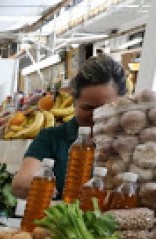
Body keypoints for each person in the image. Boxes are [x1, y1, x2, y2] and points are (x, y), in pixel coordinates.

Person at [12, 55, 126, 199]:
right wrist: (43, 187)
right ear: (73, 103)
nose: (96, 115)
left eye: (105, 108)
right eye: (88, 108)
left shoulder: (132, 140)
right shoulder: (51, 138)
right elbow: (21, 184)